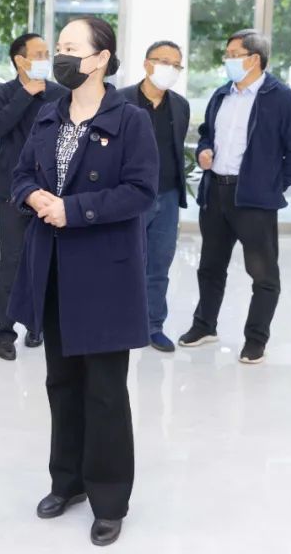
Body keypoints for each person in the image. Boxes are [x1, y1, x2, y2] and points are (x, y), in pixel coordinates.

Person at [8, 16, 157, 548]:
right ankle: (66, 482)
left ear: (100, 59)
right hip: (53, 270)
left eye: (72, 48)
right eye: (60, 48)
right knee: (62, 383)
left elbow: (141, 191)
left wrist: (75, 210)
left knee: (105, 392)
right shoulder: (49, 114)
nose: (60, 58)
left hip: (105, 274)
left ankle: (109, 499)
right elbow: (21, 175)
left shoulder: (130, 119)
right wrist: (33, 196)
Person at [179, 29, 291, 364]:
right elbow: (207, 133)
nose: (228, 60)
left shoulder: (281, 98)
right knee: (210, 267)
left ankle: (255, 339)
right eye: (227, 55)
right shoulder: (221, 94)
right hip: (216, 193)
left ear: (254, 59)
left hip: (254, 200)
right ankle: (204, 325)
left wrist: (272, 185)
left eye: (233, 54)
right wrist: (204, 151)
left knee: (263, 275)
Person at [0, 33, 66, 360]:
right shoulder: (2, 93)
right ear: (20, 60)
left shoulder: (60, 94)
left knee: (46, 260)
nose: (46, 59)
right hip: (11, 190)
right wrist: (25, 94)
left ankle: (37, 325)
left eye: (48, 53)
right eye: (39, 54)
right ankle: (5, 332)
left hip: (51, 190)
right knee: (12, 261)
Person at [120, 41, 190, 353]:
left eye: (176, 65)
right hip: (130, 196)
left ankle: (153, 326)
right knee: (124, 262)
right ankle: (120, 322)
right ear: (147, 64)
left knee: (159, 265)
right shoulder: (120, 101)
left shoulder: (180, 105)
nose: (169, 69)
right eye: (163, 61)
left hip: (168, 196)